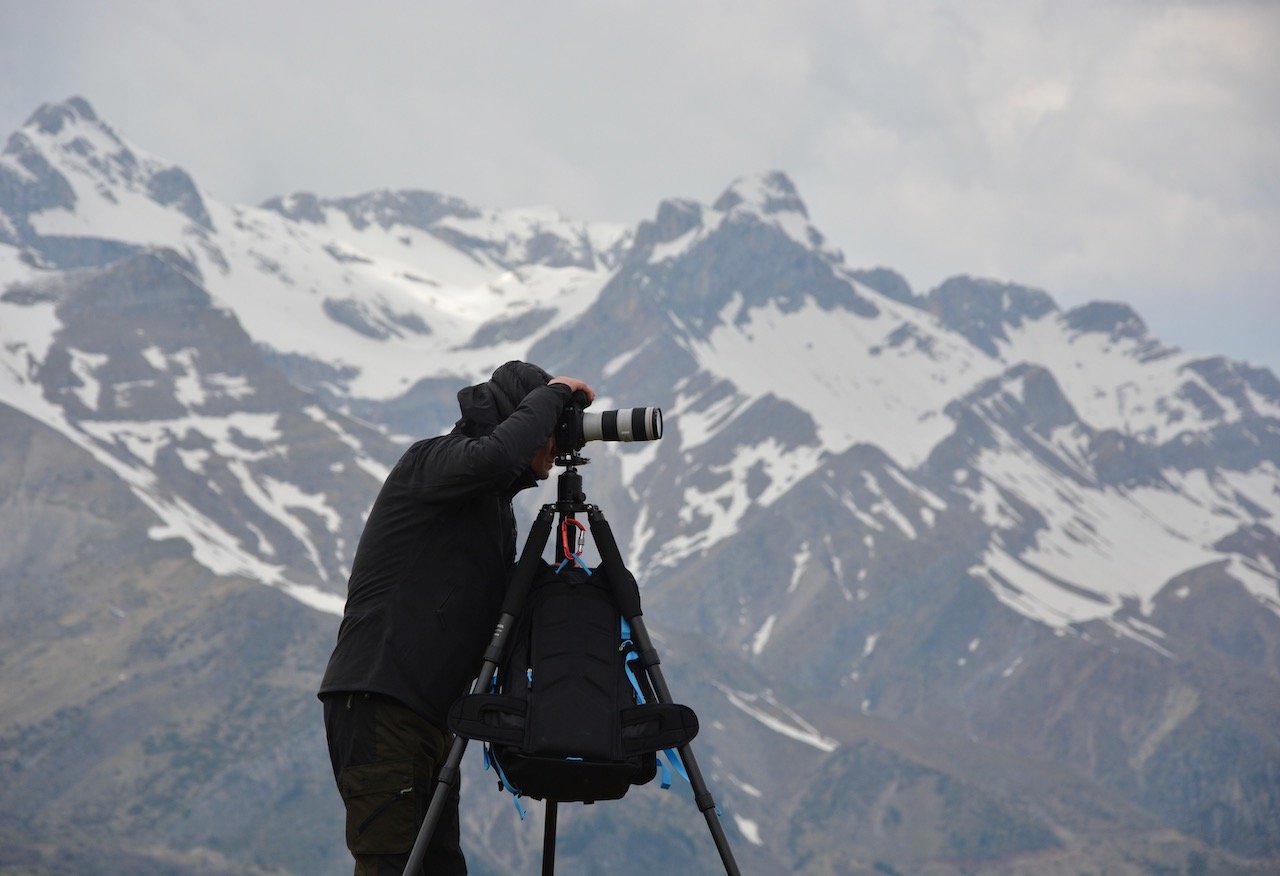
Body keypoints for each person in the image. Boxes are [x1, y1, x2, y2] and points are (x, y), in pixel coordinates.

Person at [318, 361, 595, 875]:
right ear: (520, 418)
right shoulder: (432, 462)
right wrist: (554, 395)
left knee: (439, 868)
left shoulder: (493, 511)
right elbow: (493, 457)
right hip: (382, 700)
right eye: (548, 430)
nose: (555, 447)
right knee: (393, 864)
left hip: (428, 714)